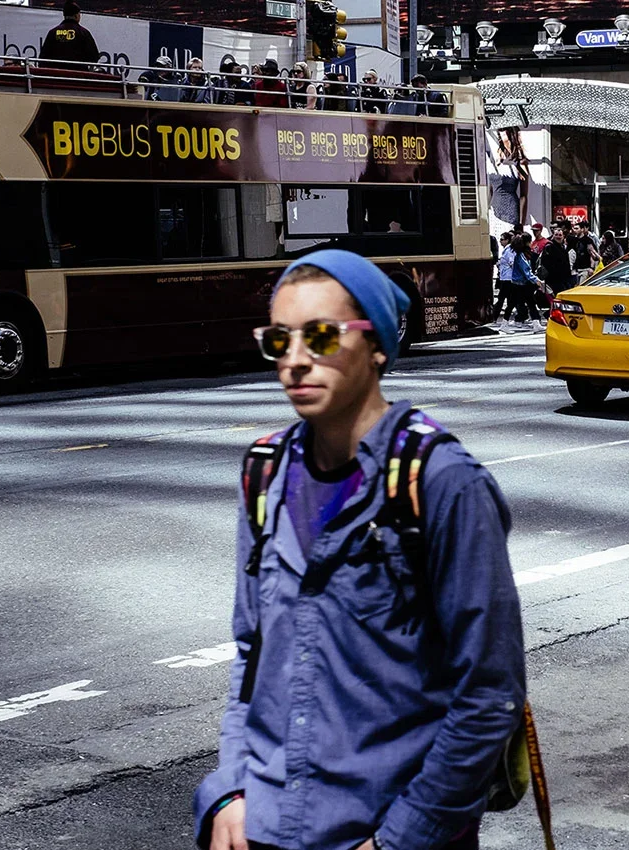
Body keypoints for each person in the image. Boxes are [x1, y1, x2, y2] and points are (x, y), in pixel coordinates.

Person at [192, 249, 525, 850]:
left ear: (375, 346)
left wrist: (401, 839)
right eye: (278, 340)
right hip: (267, 826)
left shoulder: (441, 481)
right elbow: (253, 656)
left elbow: (488, 694)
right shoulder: (265, 473)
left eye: (320, 337)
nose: (295, 361)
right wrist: (229, 791)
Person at [39, 1, 100, 71]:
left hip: (56, 77)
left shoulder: (52, 33)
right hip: (77, 77)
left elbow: (43, 59)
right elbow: (94, 57)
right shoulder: (84, 33)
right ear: (76, 16)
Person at [507, 233, 546, 330]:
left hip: (521, 283)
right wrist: (536, 280)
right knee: (517, 303)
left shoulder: (523, 253)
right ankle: (506, 323)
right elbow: (526, 271)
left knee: (528, 303)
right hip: (521, 284)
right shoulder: (521, 255)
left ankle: (531, 322)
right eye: (530, 241)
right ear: (527, 242)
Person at [538, 224, 573, 299]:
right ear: (553, 236)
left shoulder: (563, 247)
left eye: (560, 235)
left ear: (563, 236)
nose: (558, 236)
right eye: (556, 235)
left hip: (564, 279)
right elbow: (546, 263)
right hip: (553, 279)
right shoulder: (549, 246)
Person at [491, 230, 517, 331]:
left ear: (507, 240)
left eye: (502, 239)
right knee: (504, 300)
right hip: (505, 278)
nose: (500, 241)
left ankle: (499, 319)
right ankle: (498, 319)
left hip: (508, 279)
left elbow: (512, 263)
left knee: (507, 300)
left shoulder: (509, 250)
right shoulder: (506, 250)